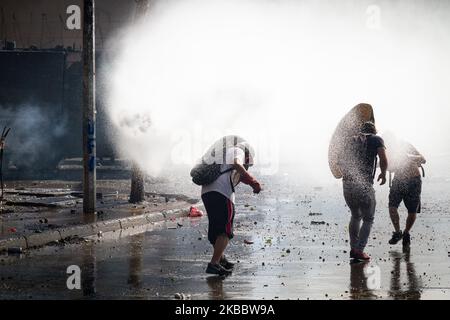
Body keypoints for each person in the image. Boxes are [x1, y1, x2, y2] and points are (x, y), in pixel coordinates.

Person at [201, 138, 262, 276]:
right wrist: (254, 182)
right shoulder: (238, 151)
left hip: (207, 192)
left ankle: (221, 260)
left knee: (216, 228)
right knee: (225, 230)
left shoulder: (223, 155)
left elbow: (238, 174)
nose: (247, 164)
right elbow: (237, 164)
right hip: (222, 192)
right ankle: (214, 263)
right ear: (247, 153)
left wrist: (250, 181)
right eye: (248, 160)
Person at [341, 121, 388, 261]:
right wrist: (383, 174)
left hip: (347, 184)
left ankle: (353, 248)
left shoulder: (351, 140)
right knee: (368, 218)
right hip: (364, 185)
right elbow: (383, 159)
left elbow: (339, 160)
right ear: (374, 130)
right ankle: (359, 250)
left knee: (355, 215)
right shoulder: (376, 139)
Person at [384, 134, 426, 248]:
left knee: (412, 210)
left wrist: (409, 156)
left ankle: (406, 233)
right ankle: (397, 232)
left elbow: (423, 159)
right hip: (398, 181)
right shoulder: (387, 150)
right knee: (392, 207)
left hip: (413, 181)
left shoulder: (406, 146)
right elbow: (389, 168)